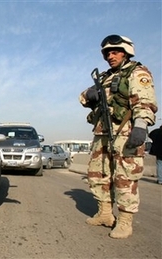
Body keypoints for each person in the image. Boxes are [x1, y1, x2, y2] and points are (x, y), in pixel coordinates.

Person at [79, 34, 158, 239]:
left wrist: (140, 127)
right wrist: (89, 95)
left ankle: (125, 221)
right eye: (107, 53)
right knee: (98, 174)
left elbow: (145, 102)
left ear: (126, 52)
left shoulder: (137, 73)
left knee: (125, 178)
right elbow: (82, 98)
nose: (110, 56)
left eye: (115, 52)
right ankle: (105, 214)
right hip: (102, 133)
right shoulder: (104, 77)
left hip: (125, 133)